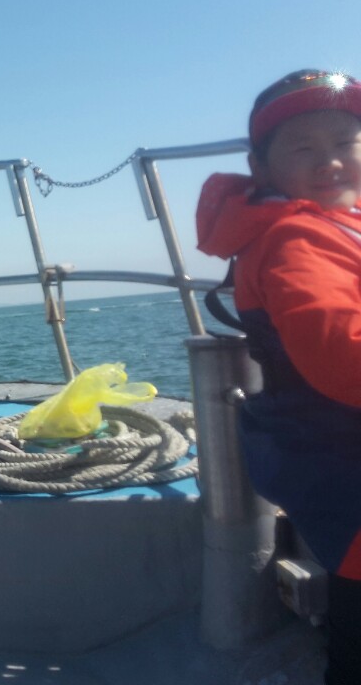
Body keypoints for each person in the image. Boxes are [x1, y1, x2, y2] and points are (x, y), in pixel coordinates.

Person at [196, 69, 361, 685]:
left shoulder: (339, 221)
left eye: (345, 142)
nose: (329, 162)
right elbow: (343, 358)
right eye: (303, 147)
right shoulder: (295, 239)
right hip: (343, 460)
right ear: (261, 167)